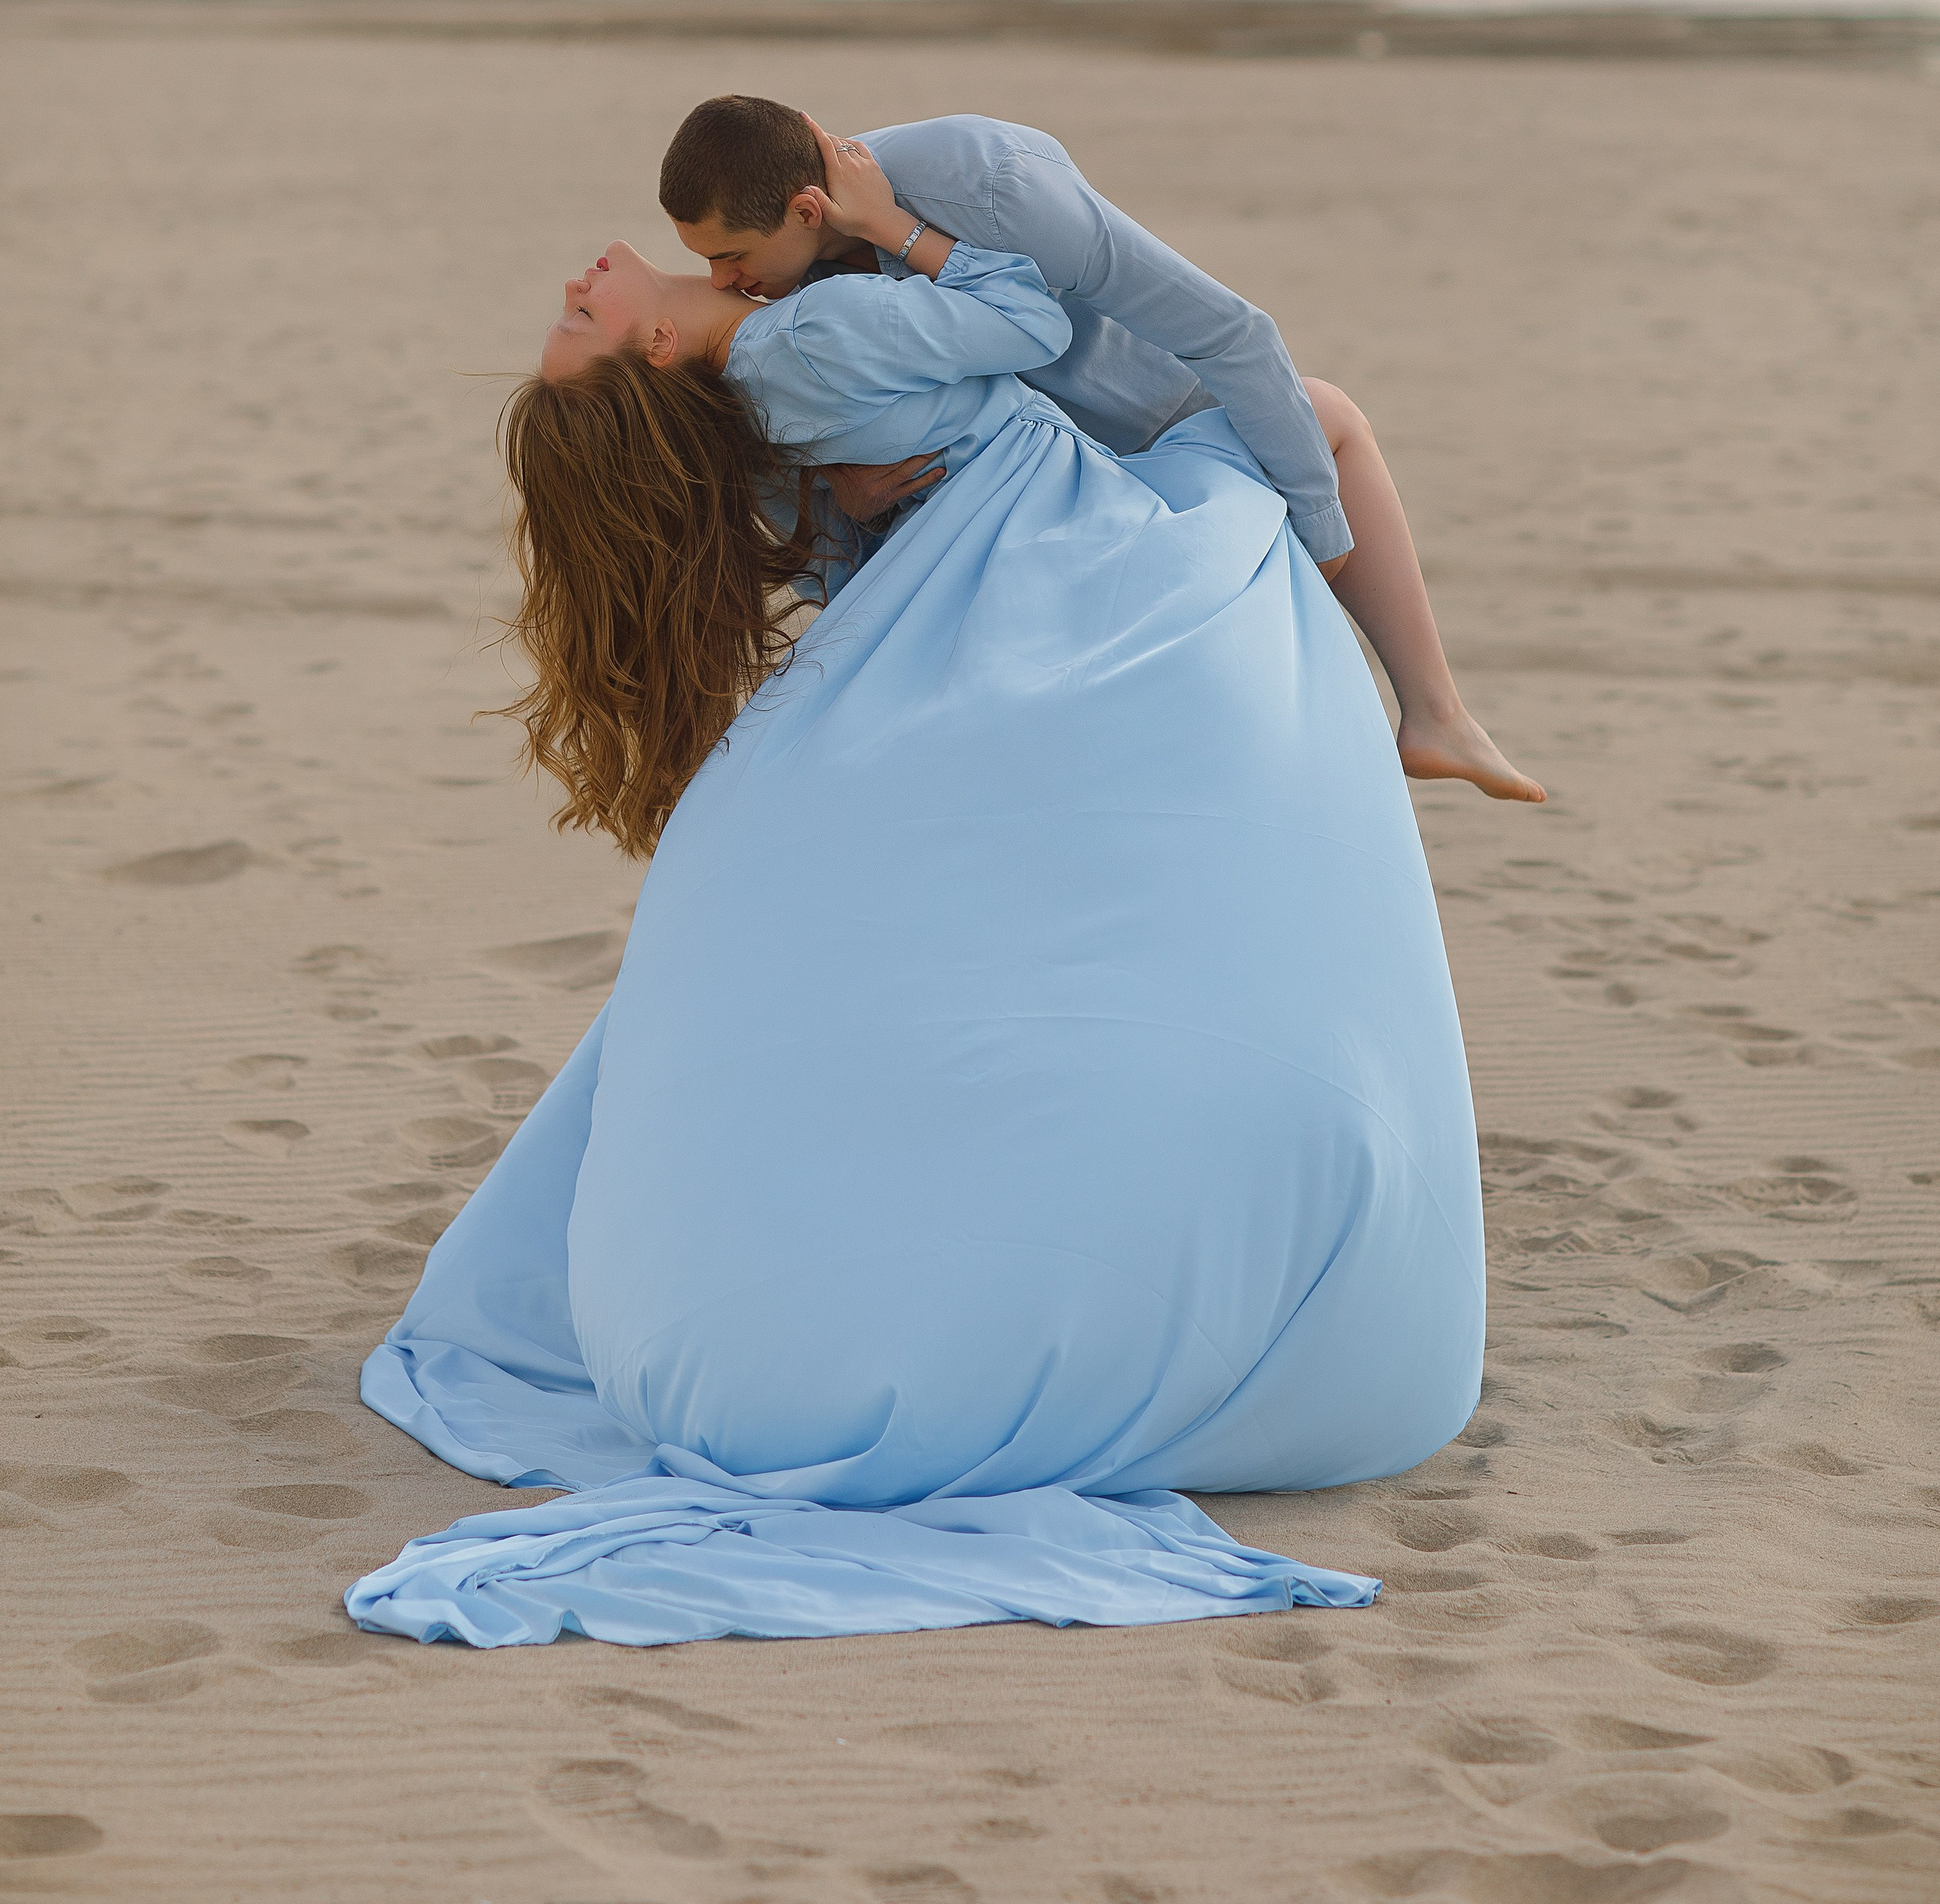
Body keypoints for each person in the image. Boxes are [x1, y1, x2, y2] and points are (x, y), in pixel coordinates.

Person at [346, 141, 1486, 1651]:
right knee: (1313, 433)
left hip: (977, 555)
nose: (575, 289)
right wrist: (910, 235)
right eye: (581, 327)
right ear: (663, 348)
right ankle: (1432, 710)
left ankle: (1425, 716)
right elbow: (1078, 330)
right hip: (1066, 541)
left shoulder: (774, 395)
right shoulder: (811, 344)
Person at [659, 95, 1542, 803]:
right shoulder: (789, 278)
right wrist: (839, 500)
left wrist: (1324, 539)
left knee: (1324, 421)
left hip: (1153, 422)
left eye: (730, 255)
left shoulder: (987, 186)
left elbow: (1232, 333)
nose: (722, 283)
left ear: (806, 209)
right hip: (1022, 483)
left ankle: (1433, 713)